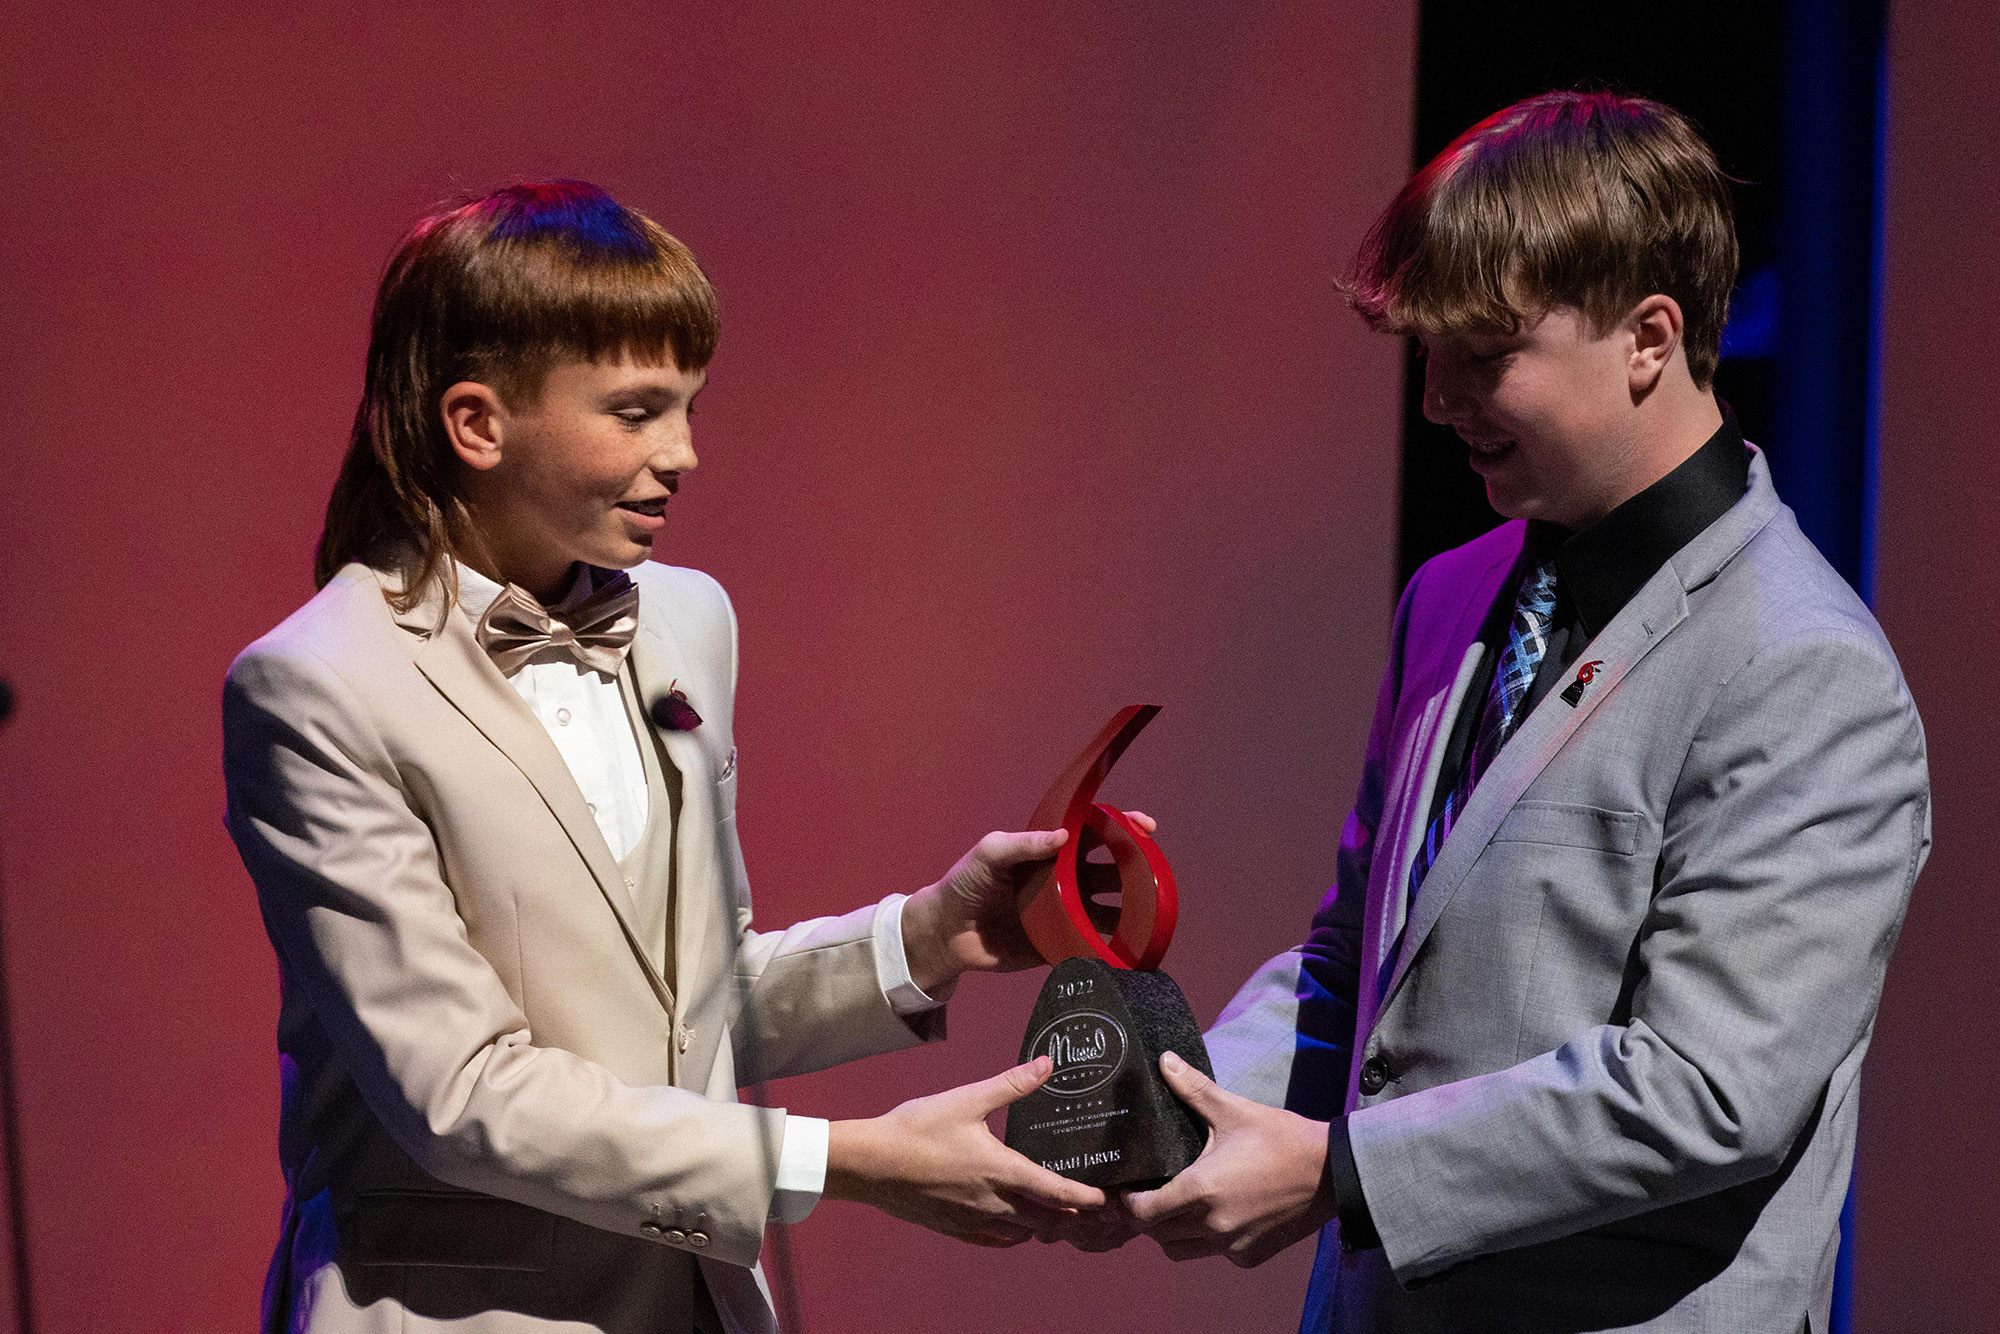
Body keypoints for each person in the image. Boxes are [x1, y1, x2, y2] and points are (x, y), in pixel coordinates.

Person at [223, 180, 1116, 1334]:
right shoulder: (318, 683)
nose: (684, 451)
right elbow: (461, 1091)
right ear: (478, 424)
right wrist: (835, 1159)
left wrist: (927, 934)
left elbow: (676, 1007)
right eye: (636, 411)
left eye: (689, 407)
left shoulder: (686, 619)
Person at [1102, 92, 1931, 1332]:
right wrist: (1178, 1098)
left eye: (1480, 356)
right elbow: (1357, 971)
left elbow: (1704, 1087)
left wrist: (1341, 1170)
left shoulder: (1805, 671)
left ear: (1647, 337)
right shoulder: (1451, 594)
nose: (1435, 400)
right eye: (1423, 353)